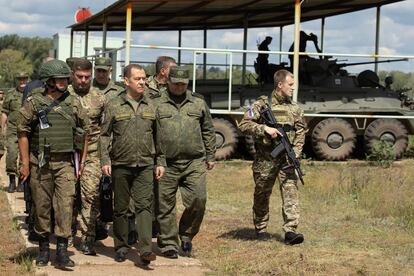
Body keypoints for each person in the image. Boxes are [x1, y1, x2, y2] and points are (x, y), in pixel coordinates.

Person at [17, 59, 89, 268]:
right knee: (41, 207)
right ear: (49, 80)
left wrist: (82, 161)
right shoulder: (34, 101)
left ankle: (62, 251)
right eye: (59, 79)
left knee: (65, 206)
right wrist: (24, 163)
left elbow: (85, 132)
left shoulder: (73, 102)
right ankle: (42, 250)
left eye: (66, 78)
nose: (64, 82)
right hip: (40, 163)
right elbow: (22, 131)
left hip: (65, 164)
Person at [100, 64, 165, 266]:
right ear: (126, 81)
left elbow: (159, 136)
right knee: (120, 208)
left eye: (144, 78)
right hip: (120, 163)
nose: (142, 82)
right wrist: (105, 160)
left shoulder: (152, 105)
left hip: (145, 164)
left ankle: (145, 250)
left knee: (145, 207)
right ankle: (120, 246)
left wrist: (160, 161)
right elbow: (104, 135)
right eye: (137, 79)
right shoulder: (113, 105)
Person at [238, 69, 307, 245]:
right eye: (290, 84)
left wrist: (296, 154)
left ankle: (291, 231)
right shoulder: (261, 105)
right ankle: (260, 229)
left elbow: (301, 132)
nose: (292, 88)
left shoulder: (295, 108)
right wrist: (264, 129)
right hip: (265, 159)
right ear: (280, 84)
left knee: (291, 192)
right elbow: (244, 124)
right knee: (262, 194)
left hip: (287, 158)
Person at [154, 66, 216, 259]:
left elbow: (208, 129)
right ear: (168, 82)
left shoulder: (198, 102)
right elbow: (150, 133)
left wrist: (210, 155)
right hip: (166, 163)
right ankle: (168, 244)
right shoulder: (156, 103)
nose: (180, 87)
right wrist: (157, 159)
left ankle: (187, 235)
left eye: (184, 84)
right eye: (176, 84)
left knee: (199, 200)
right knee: (165, 205)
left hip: (194, 162)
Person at [68, 59, 106, 255]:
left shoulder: (99, 98)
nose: (83, 81)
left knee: (90, 195)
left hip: (92, 153)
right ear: (73, 75)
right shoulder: (62, 95)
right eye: (79, 77)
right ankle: (65, 234)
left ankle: (87, 237)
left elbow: (106, 130)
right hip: (66, 153)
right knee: (67, 196)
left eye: (87, 77)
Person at [2, 72, 29, 193]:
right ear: (16, 80)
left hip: (26, 129)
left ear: (27, 80)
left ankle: (21, 183)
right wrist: (1, 127)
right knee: (12, 154)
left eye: (24, 79)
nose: (22, 82)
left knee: (24, 157)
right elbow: (5, 112)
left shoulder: (32, 93)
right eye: (20, 79)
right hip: (12, 129)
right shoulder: (10, 94)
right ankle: (12, 181)